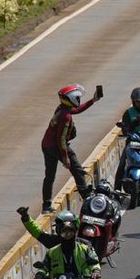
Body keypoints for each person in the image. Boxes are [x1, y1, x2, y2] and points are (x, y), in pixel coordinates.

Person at [41, 83, 101, 213]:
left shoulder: (62, 108)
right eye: (77, 98)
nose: (78, 100)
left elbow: (77, 110)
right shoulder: (66, 116)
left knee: (49, 176)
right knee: (77, 170)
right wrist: (65, 157)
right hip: (56, 146)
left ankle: (46, 206)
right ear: (70, 99)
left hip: (46, 145)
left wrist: (93, 100)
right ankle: (87, 199)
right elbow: (61, 138)